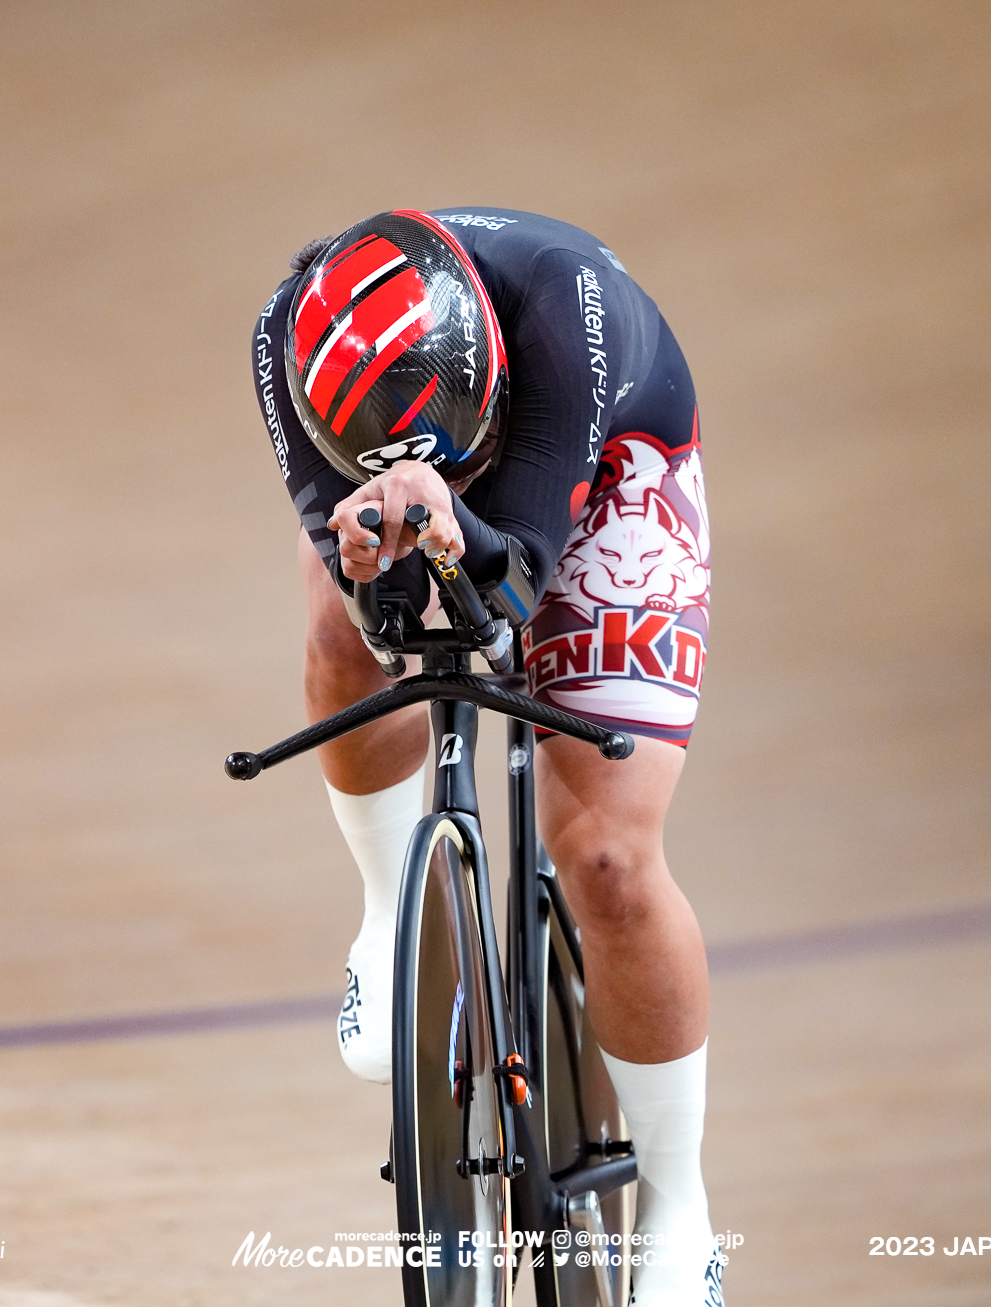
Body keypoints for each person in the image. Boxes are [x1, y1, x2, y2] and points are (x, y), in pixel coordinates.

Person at [248, 207, 721, 1306]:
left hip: (607, 472)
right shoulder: (286, 339)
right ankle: (387, 913)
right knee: (338, 630)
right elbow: (373, 604)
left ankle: (681, 1204)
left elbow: (515, 589)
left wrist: (469, 536)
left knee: (604, 853)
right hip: (409, 476)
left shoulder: (566, 310)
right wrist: (380, 563)